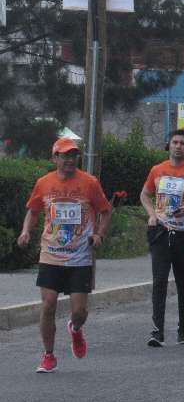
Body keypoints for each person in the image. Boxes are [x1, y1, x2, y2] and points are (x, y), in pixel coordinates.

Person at [16, 138, 112, 373]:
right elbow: (33, 211)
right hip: (51, 254)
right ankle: (48, 355)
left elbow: (106, 211)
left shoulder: (89, 183)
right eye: (64, 155)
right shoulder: (44, 183)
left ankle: (75, 329)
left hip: (80, 257)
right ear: (54, 158)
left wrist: (99, 234)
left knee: (79, 312)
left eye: (73, 155)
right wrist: (26, 231)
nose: (70, 159)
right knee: (48, 305)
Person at [139, 130, 184, 347]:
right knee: (159, 281)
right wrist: (151, 214)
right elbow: (144, 194)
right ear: (168, 145)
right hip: (161, 231)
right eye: (175, 142)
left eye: (183, 143)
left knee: (183, 283)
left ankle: (183, 328)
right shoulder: (157, 170)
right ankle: (157, 331)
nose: (178, 146)